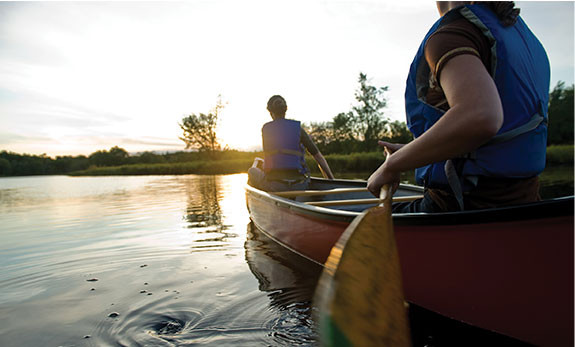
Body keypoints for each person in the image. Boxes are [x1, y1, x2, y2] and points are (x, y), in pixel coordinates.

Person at [367, 1, 550, 212]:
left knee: (354, 222)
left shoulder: (451, 36)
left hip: (465, 205)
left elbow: (480, 116)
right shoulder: (518, 36)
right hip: (526, 201)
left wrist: (393, 165)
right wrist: (410, 154)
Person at [248, 95, 334, 191]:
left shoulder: (266, 129)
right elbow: (318, 157)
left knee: (252, 171)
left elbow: (268, 160)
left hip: (276, 185)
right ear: (285, 110)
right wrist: (332, 180)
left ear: (270, 112)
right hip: (299, 185)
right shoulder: (298, 128)